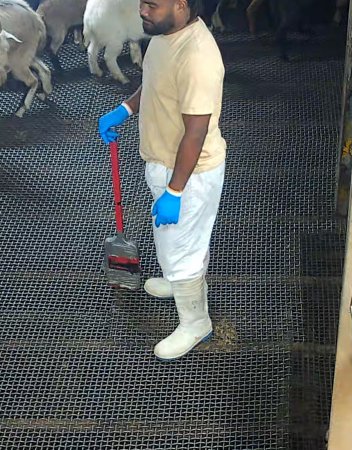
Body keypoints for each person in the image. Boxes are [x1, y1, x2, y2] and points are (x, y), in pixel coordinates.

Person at [97, 0, 226, 361]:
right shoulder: (163, 36)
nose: (142, 10)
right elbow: (153, 83)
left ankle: (196, 322)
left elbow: (196, 132)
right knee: (176, 241)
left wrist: (175, 191)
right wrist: (123, 110)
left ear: (181, 6)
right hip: (164, 162)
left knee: (182, 248)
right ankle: (177, 281)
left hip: (189, 174)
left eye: (151, 5)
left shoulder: (197, 56)